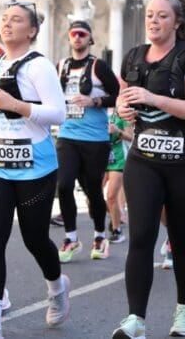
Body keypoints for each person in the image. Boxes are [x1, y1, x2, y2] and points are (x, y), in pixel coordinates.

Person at [0, 2, 70, 338]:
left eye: (17, 20)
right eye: (5, 19)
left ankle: (57, 287)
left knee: (35, 238)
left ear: (32, 30)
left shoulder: (39, 67)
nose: (8, 25)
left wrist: (17, 106)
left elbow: (58, 114)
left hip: (35, 165)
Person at [111, 0, 185, 339]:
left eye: (162, 16)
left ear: (177, 22)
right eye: (150, 15)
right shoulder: (134, 57)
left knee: (181, 241)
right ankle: (135, 319)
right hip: (144, 160)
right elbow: (123, 103)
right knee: (141, 238)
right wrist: (123, 110)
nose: (153, 21)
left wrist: (153, 98)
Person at [55, 20, 120, 262]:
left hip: (95, 139)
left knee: (93, 190)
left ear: (90, 39)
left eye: (82, 34)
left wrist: (93, 102)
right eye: (73, 34)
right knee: (63, 185)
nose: (77, 38)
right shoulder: (60, 66)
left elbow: (117, 95)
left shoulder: (98, 67)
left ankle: (100, 235)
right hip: (67, 136)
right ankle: (71, 238)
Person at [105, 110, 132, 244]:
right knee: (92, 199)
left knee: (111, 196)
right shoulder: (97, 109)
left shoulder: (121, 111)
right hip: (99, 155)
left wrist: (117, 131)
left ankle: (117, 230)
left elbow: (131, 137)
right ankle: (116, 213)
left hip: (118, 157)